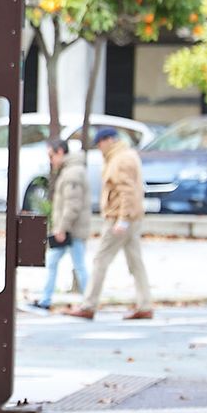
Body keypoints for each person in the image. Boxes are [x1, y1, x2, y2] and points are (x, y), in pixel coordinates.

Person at [64, 127, 152, 320]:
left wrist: (123, 220)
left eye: (100, 143)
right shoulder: (125, 156)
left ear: (108, 140)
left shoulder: (120, 159)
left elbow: (127, 192)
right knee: (135, 262)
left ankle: (88, 304)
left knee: (100, 260)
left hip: (118, 218)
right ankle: (145, 304)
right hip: (129, 217)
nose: (99, 148)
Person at [28, 138, 90, 310]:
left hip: (71, 230)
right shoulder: (71, 171)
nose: (50, 160)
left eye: (51, 155)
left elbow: (72, 205)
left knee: (78, 265)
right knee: (58, 262)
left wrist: (62, 228)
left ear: (60, 152)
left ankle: (90, 301)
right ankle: (46, 299)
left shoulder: (72, 174)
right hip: (69, 229)